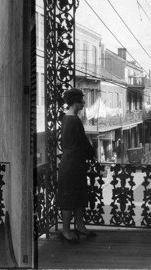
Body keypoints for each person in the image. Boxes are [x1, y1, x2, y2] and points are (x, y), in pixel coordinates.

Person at [57, 88, 96, 244]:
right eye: (81, 100)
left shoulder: (66, 119)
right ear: (75, 102)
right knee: (69, 198)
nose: (84, 103)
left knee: (78, 196)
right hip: (72, 165)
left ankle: (80, 226)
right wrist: (92, 153)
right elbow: (83, 143)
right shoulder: (74, 120)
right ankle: (66, 231)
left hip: (71, 163)